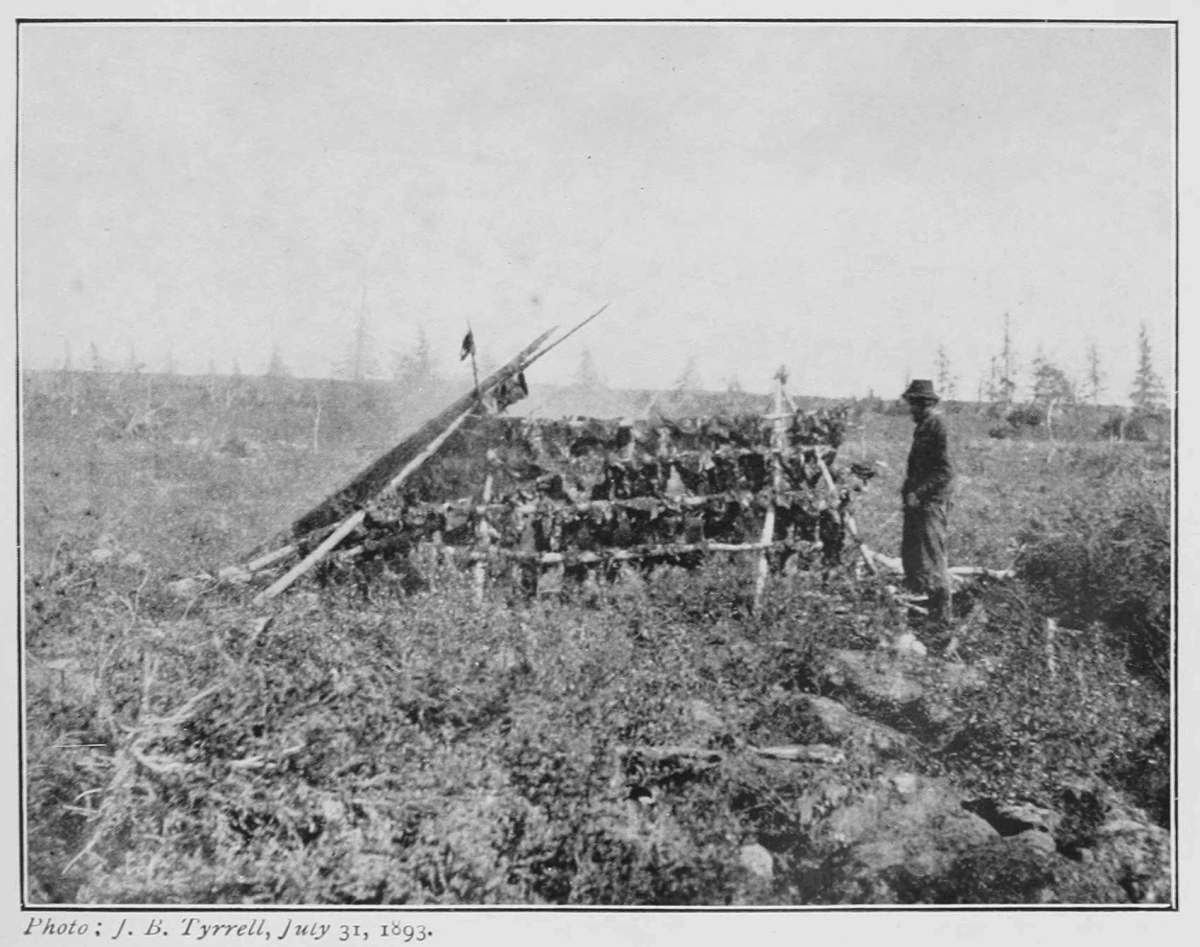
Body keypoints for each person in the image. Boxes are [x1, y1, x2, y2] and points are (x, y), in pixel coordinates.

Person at [900, 379, 954, 625]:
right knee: (914, 558)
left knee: (931, 559)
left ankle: (941, 618)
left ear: (925, 404)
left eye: (913, 404)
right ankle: (923, 613)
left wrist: (919, 493)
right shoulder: (924, 426)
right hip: (918, 504)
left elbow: (945, 472)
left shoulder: (937, 426)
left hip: (930, 503)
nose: (910, 409)